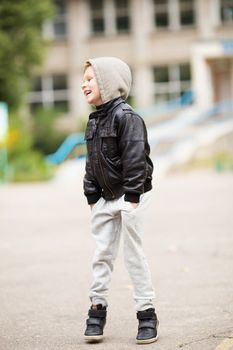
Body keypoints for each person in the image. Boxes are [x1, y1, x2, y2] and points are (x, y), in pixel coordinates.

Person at [81, 57, 158, 345]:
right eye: (84, 79)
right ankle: (96, 310)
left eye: (89, 79)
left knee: (133, 256)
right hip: (104, 199)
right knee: (101, 255)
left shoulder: (128, 118)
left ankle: (147, 313)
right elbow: (91, 162)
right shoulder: (94, 120)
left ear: (107, 83)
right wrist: (91, 196)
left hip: (131, 196)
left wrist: (133, 197)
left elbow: (136, 159)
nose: (83, 84)